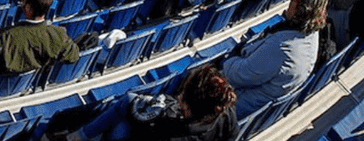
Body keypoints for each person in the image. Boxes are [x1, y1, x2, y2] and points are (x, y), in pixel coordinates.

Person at [221, 0, 327, 117]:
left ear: (299, 7)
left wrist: (225, 61)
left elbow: (238, 75)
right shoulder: (312, 34)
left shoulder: (283, 49)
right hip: (258, 96)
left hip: (237, 104)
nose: (289, 1)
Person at [52, 64, 238, 141]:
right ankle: (77, 137)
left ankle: (75, 137)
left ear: (188, 105)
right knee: (125, 104)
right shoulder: (226, 114)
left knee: (122, 120)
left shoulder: (176, 132)